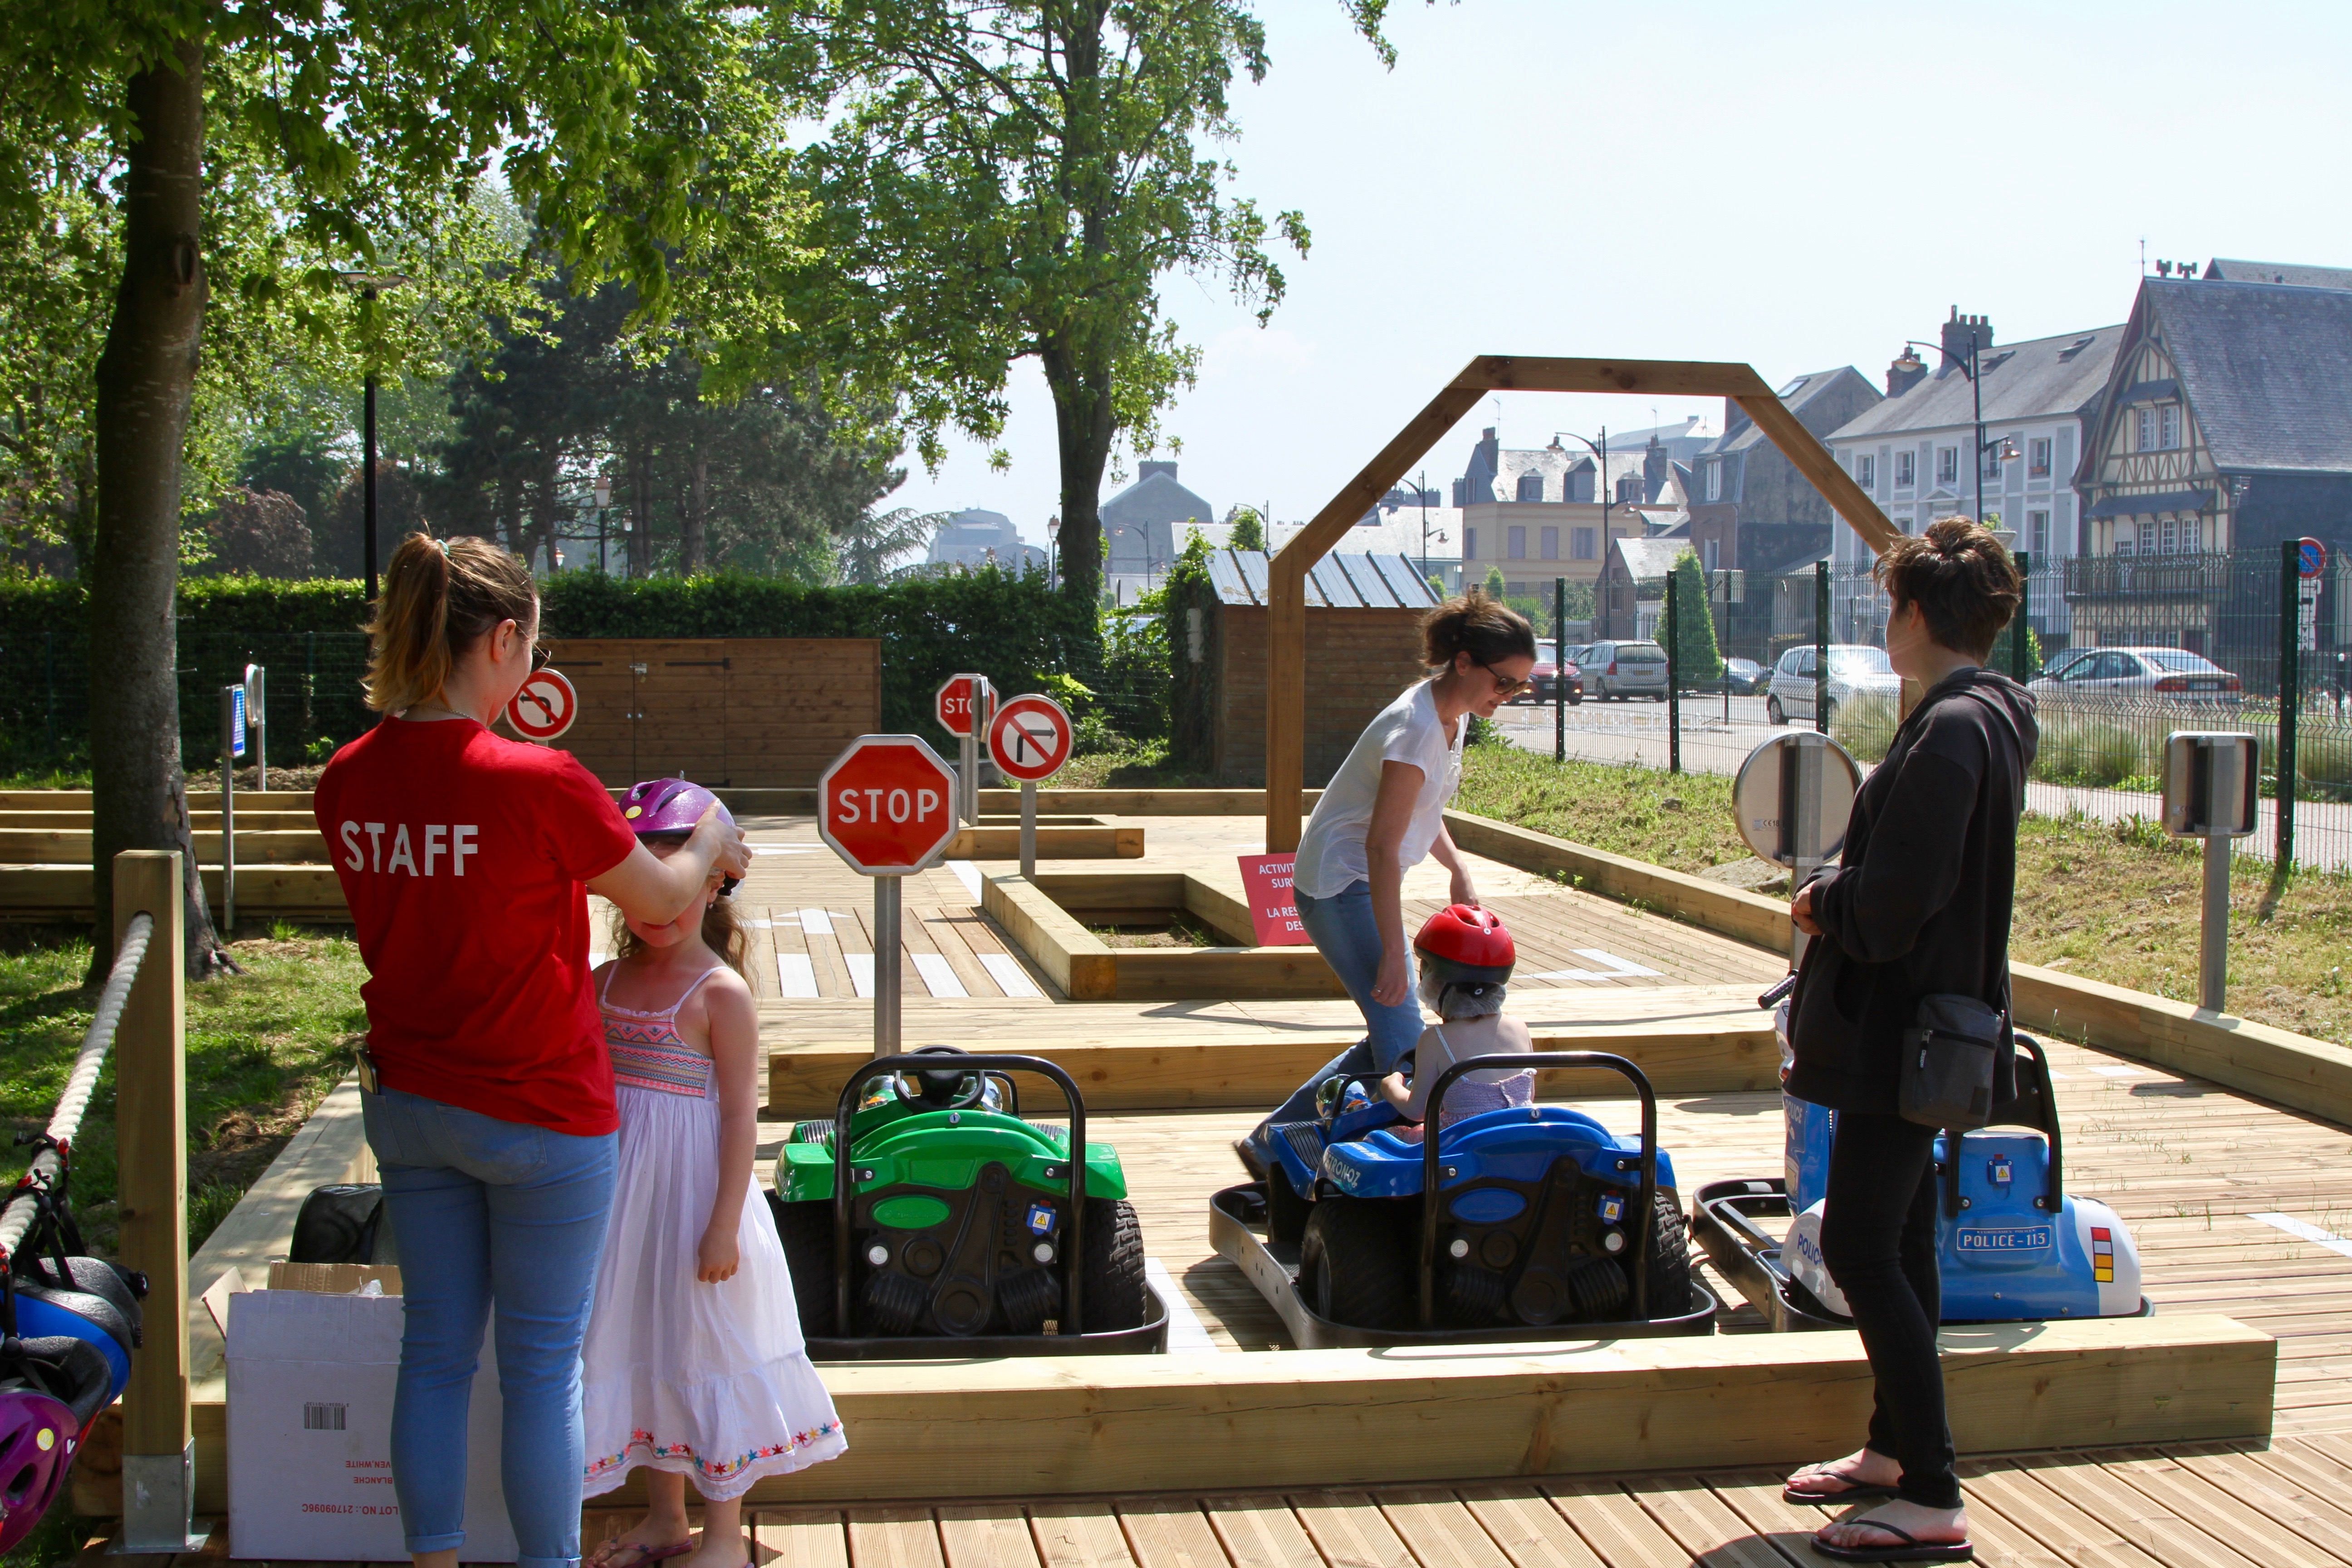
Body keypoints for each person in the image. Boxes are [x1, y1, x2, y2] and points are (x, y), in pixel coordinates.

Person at [316, 533, 751, 1568]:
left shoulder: (344, 776)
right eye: (533, 650)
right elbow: (664, 895)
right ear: (503, 638)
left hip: (411, 1101)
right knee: (539, 1367)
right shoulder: (538, 778)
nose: (532, 673)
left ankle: (432, 1558)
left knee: (435, 1353)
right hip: (540, 1111)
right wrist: (711, 828)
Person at [1779, 518, 2035, 1565]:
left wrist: (1817, 900)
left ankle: (1930, 1489)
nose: (1884, 625)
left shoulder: (1945, 733)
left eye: (1891, 605)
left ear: (1915, 614)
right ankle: (1893, 1450)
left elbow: (1891, 907)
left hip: (1899, 1032)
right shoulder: (1994, 716)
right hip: (1936, 1029)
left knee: (1856, 1247)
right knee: (1904, 1241)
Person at [581, 780, 845, 1568]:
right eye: (641, 890)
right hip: (623, 1205)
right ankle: (664, 1518)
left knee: (706, 1347)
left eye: (678, 888)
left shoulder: (719, 993)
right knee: (644, 1342)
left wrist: (725, 1221)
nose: (656, 908)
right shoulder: (601, 983)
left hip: (698, 1201)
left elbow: (739, 1116)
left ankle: (723, 1534)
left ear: (715, 884)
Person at [1241, 589, 1536, 1171]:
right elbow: (1380, 846)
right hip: (1338, 881)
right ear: (1464, 662)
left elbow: (1421, 811)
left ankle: (1278, 1140)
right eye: (1504, 683)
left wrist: (1458, 868)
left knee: (1394, 1029)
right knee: (1403, 1035)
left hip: (1359, 876)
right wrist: (1395, 958)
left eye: (1519, 688)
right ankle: (1298, 1149)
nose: (1508, 697)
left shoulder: (1452, 719)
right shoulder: (1416, 730)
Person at [1377, 905, 1533, 1139]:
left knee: (1382, 1140)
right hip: (1519, 1137)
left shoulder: (1435, 1039)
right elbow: (1529, 1097)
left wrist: (1390, 1086)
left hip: (1463, 1148)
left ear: (1434, 982)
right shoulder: (1519, 1027)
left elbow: (1417, 1110)